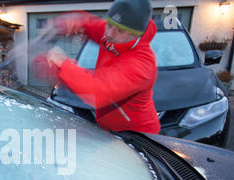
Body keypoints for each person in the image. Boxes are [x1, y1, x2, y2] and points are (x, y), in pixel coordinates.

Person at [46, 0, 161, 134]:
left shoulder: (142, 63)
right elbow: (91, 24)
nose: (109, 34)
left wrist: (64, 64)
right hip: (108, 129)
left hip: (136, 135)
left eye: (120, 30)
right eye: (110, 25)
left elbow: (98, 92)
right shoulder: (114, 34)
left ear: (136, 34)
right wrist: (69, 23)